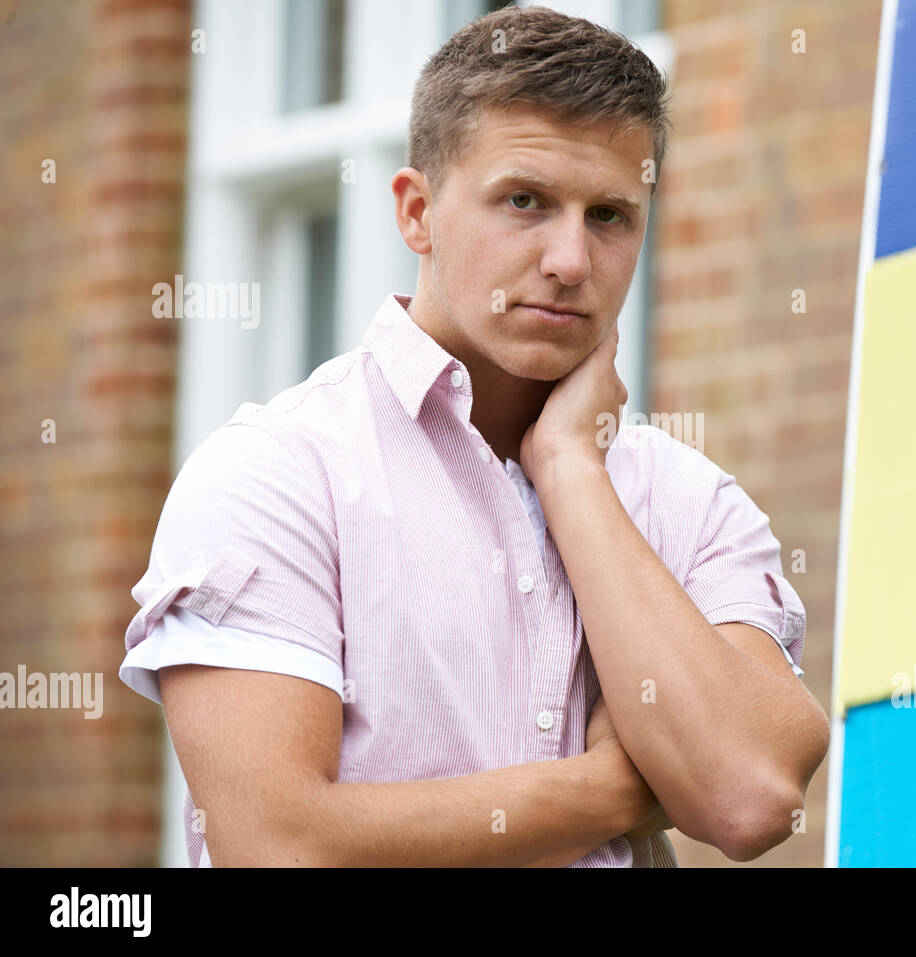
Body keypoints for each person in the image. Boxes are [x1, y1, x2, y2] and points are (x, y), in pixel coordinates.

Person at [120, 4, 828, 867]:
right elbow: (281, 846)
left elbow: (750, 794)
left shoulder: (689, 500)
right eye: (524, 201)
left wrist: (571, 469)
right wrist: (617, 785)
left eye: (609, 215)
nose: (571, 259)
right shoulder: (278, 473)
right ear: (417, 213)